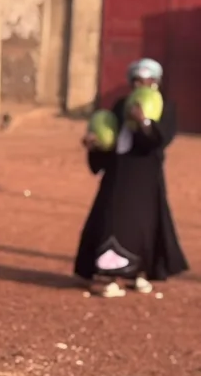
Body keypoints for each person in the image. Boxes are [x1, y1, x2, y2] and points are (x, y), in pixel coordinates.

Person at [75, 58, 188, 298]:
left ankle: (138, 273)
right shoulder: (120, 106)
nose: (142, 85)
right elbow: (110, 140)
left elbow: (160, 140)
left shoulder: (166, 107)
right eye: (137, 80)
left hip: (145, 177)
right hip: (118, 174)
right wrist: (95, 145)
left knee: (143, 227)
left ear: (156, 82)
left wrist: (144, 122)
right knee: (112, 221)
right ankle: (109, 277)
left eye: (148, 80)